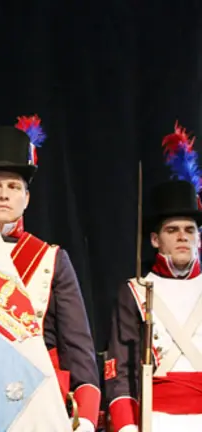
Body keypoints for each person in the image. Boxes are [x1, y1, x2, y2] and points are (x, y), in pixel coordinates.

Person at [0, 118, 101, 431]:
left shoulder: (51, 259)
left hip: (39, 406)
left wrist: (87, 420)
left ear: (26, 199)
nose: (3, 194)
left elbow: (77, 349)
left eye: (14, 186)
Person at [105, 124, 202, 432]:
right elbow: (119, 368)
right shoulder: (136, 290)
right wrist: (126, 426)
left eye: (190, 230)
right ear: (155, 240)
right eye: (172, 231)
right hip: (156, 420)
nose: (183, 238)